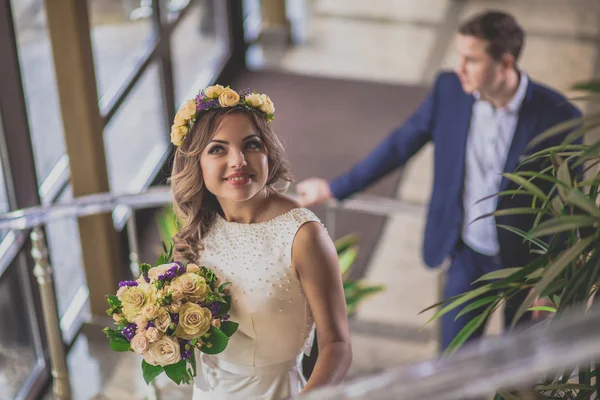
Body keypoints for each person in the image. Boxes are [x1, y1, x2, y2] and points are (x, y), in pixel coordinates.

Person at [296, 10, 582, 350]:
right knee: (453, 357)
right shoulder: (450, 90)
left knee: (519, 366)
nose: (459, 68)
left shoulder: (560, 116)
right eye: (459, 56)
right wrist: (334, 187)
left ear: (505, 64)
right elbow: (401, 144)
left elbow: (570, 202)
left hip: (527, 264)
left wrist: (551, 281)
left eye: (471, 60)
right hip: (467, 253)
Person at [169, 85, 352, 399]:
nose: (238, 160)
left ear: (268, 151)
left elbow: (337, 345)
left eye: (250, 145)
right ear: (196, 162)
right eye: (218, 149)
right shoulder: (200, 226)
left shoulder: (303, 235)